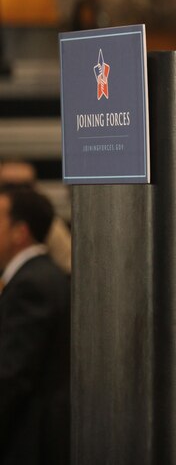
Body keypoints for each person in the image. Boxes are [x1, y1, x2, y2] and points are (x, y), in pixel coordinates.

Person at [0, 186, 71, 465]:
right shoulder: (37, 275)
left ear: (20, 231)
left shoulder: (32, 284)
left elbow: (12, 374)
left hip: (31, 439)